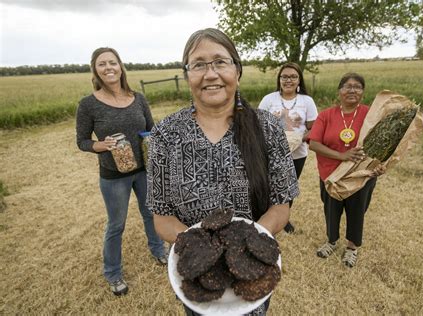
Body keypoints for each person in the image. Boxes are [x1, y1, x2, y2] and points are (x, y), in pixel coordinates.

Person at [146, 28, 299, 315]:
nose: (210, 73)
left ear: (237, 70)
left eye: (220, 62)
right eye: (199, 64)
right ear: (187, 74)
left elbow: (281, 205)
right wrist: (204, 257)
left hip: (253, 270)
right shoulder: (165, 135)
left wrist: (247, 251)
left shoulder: (268, 129)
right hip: (196, 275)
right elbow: (162, 217)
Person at [76, 47, 167, 296]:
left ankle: (159, 251)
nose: (108, 68)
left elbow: (152, 128)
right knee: (116, 224)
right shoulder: (88, 104)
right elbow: (82, 140)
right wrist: (99, 145)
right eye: (102, 64)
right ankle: (113, 273)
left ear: (120, 66)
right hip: (113, 175)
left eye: (112, 62)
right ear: (95, 70)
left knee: (151, 213)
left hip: (144, 170)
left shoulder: (137, 98)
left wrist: (157, 141)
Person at [307, 73, 385, 268]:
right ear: (339, 91)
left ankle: (352, 248)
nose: (352, 90)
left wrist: (381, 164)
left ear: (363, 92)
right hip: (331, 174)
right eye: (347, 86)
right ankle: (331, 242)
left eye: (357, 86)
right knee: (331, 210)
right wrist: (342, 156)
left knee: (357, 211)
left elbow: (385, 143)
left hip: (360, 175)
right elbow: (314, 144)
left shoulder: (370, 115)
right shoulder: (326, 115)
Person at [258, 62, 318, 233]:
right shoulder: (269, 99)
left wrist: (302, 138)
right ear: (279, 79)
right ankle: (266, 215)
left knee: (288, 187)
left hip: (297, 154)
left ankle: (284, 219)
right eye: (284, 76)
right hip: (270, 154)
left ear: (299, 80)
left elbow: (314, 127)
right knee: (268, 185)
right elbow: (258, 124)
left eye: (293, 76)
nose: (288, 80)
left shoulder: (307, 101)